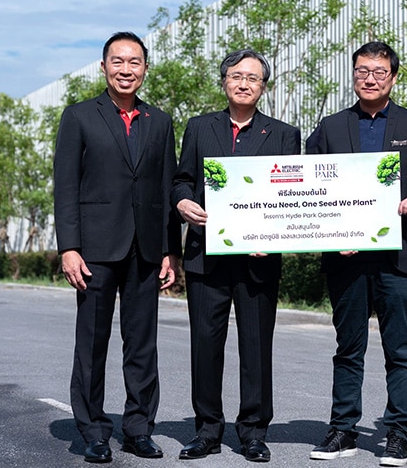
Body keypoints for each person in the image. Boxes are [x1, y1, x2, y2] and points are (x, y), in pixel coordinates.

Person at [306, 41, 407, 467]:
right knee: (348, 348)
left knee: (399, 349)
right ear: (353, 75)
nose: (370, 79)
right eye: (362, 71)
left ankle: (399, 432)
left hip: (397, 255)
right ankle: (343, 430)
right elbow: (308, 187)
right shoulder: (330, 127)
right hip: (345, 256)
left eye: (379, 71)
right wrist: (330, 231)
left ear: (393, 77)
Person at [53, 31, 181, 463]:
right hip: (94, 249)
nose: (126, 70)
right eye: (118, 61)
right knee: (92, 343)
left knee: (142, 345)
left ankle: (138, 429)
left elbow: (165, 188)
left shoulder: (160, 121)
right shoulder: (79, 116)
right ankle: (93, 431)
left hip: (145, 249)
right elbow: (66, 186)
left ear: (145, 68)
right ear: (104, 66)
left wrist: (170, 250)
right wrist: (69, 247)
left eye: (135, 62)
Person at [171, 49, 301, 463]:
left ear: (263, 87)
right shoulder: (199, 127)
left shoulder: (284, 134)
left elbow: (291, 194)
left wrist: (274, 235)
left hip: (259, 258)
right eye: (237, 76)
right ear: (224, 81)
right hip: (206, 255)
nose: (244, 83)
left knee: (256, 348)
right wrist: (183, 203)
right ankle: (207, 430)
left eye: (253, 78)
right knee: (205, 344)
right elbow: (182, 179)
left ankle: (254, 432)